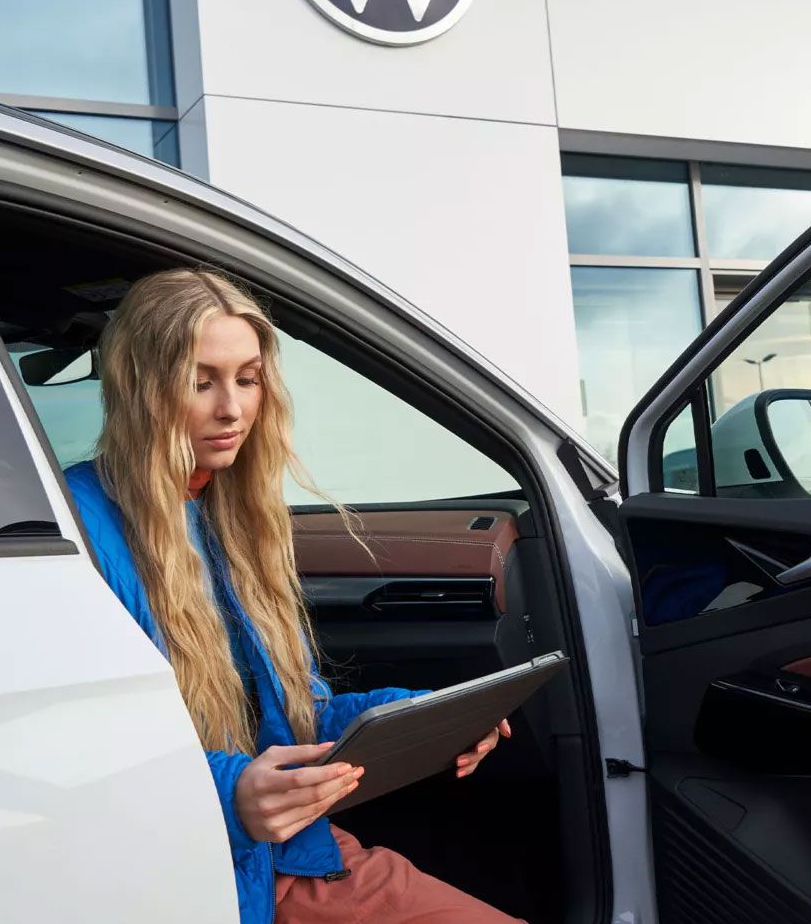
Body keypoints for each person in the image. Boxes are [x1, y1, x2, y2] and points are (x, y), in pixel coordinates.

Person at [64, 268, 520, 924]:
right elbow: (71, 747)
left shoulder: (231, 515)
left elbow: (297, 719)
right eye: (201, 381)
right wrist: (229, 794)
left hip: (287, 857)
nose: (233, 409)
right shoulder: (77, 526)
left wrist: (427, 718)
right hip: (194, 872)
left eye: (247, 379)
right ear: (141, 388)